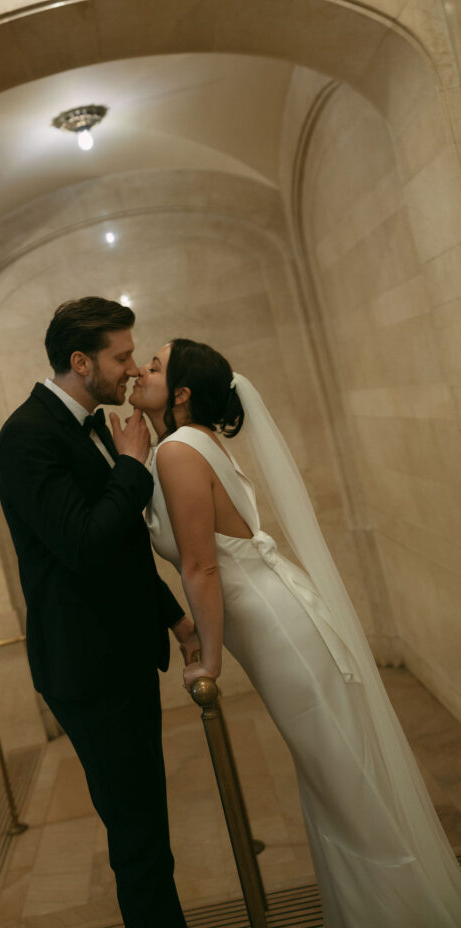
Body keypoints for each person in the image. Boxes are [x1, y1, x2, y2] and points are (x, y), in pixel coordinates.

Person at [130, 337, 461, 928]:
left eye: (152, 366)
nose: (139, 372)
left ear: (179, 392)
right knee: (335, 788)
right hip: (283, 621)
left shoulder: (180, 450)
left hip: (285, 638)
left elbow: (202, 566)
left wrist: (208, 662)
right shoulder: (187, 443)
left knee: (347, 794)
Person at [0, 298, 197, 928]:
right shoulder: (27, 435)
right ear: (81, 363)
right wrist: (133, 466)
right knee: (139, 845)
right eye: (121, 356)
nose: (132, 369)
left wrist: (174, 616)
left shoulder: (89, 425)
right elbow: (83, 545)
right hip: (89, 668)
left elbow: (122, 552)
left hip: (121, 652)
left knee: (148, 831)